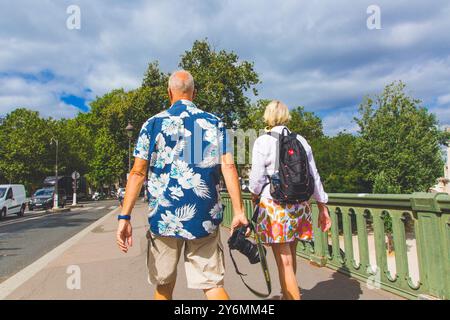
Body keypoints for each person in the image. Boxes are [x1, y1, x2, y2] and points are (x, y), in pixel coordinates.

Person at [115, 70, 249, 300]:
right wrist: (239, 211)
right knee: (212, 284)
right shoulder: (214, 122)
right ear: (194, 93)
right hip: (203, 216)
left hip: (164, 217)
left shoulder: (153, 123)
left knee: (163, 285)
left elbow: (137, 172)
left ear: (170, 93)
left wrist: (124, 218)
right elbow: (228, 167)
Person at [249, 100, 331, 300]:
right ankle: (288, 295)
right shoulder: (301, 141)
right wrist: (322, 206)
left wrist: (253, 195)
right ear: (286, 116)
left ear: (268, 116)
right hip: (300, 205)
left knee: (283, 260)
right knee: (290, 254)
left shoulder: (263, 141)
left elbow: (256, 180)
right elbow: (314, 175)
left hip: (275, 205)